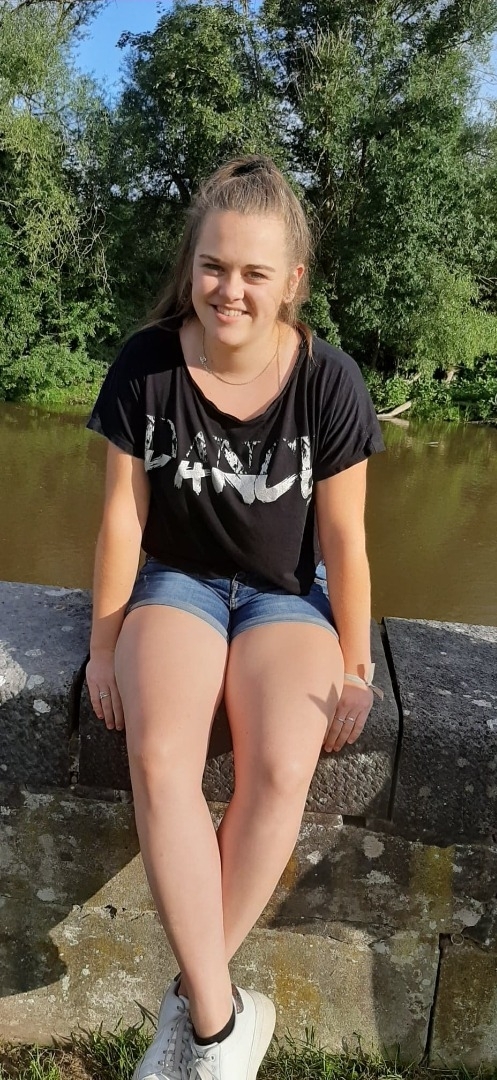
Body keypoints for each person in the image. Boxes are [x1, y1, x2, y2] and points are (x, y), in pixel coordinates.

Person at [86, 155, 385, 1080]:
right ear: (192, 265)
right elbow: (122, 519)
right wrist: (102, 644)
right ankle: (221, 1033)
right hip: (177, 583)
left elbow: (344, 537)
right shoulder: (145, 364)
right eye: (213, 266)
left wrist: (357, 665)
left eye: (255, 272)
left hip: (284, 595)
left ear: (291, 280)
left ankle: (188, 1011)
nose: (230, 290)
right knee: (159, 755)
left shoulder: (329, 381)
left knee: (284, 762)